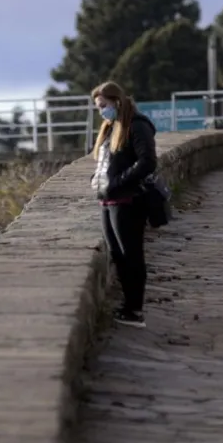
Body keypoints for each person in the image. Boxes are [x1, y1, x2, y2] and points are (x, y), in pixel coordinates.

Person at [89, 81, 157, 328]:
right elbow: (107, 160)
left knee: (132, 254)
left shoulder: (137, 126)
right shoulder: (110, 127)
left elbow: (147, 161)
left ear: (117, 101)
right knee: (117, 254)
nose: (101, 112)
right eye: (98, 107)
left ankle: (135, 310)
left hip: (128, 200)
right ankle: (127, 306)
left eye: (103, 106)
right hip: (108, 199)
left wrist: (116, 182)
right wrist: (98, 180)